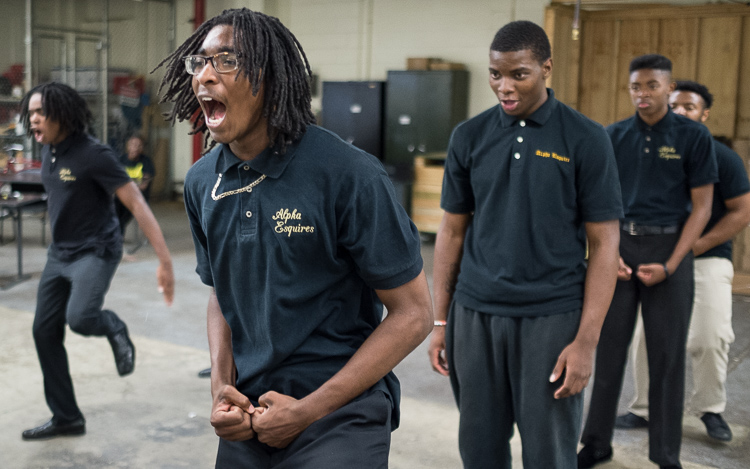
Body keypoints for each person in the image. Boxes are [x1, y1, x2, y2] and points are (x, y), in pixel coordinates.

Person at [155, 8, 432, 468]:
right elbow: (222, 293)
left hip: (342, 409)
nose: (204, 75)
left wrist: (307, 411)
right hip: (251, 410)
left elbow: (415, 314)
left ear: (266, 76)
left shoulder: (348, 175)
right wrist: (221, 387)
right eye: (199, 62)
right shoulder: (203, 182)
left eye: (224, 61)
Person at [427, 21, 623, 469]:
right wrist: (441, 321)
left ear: (546, 68)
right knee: (478, 450)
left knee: (549, 454)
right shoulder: (469, 137)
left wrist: (587, 342)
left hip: (551, 319)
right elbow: (451, 232)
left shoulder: (586, 138)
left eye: (519, 74)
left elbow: (605, 243)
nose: (504, 86)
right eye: (496, 74)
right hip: (475, 318)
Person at [579, 56, 718, 469]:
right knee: (607, 353)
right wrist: (611, 254)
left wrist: (673, 264)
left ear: (667, 87)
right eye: (636, 86)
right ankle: (596, 444)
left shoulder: (694, 137)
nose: (643, 94)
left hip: (669, 252)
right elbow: (595, 203)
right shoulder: (613, 136)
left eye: (652, 86)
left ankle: (665, 454)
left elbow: (703, 207)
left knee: (667, 358)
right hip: (619, 250)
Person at [19, 82, 174, 440]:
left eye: (41, 112)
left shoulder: (94, 154)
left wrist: (164, 261)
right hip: (60, 253)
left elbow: (136, 203)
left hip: (96, 249)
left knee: (80, 318)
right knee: (44, 330)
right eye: (31, 113)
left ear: (63, 114)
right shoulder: (50, 151)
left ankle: (114, 327)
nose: (34, 119)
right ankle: (67, 417)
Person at [616, 81, 750, 443]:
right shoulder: (645, 152)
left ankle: (710, 408)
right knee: (645, 337)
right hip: (653, 260)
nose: (680, 112)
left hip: (706, 259)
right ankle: (643, 408)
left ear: (704, 115)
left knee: (710, 337)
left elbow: (741, 212)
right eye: (674, 106)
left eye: (689, 107)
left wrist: (694, 247)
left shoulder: (722, 157)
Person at [114, 134, 155, 236]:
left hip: (138, 197)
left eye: (138, 145)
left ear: (142, 148)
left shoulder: (146, 162)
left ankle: (118, 235)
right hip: (122, 196)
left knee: (124, 211)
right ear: (128, 146)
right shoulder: (121, 160)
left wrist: (126, 188)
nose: (135, 148)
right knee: (112, 207)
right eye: (132, 144)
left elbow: (144, 185)